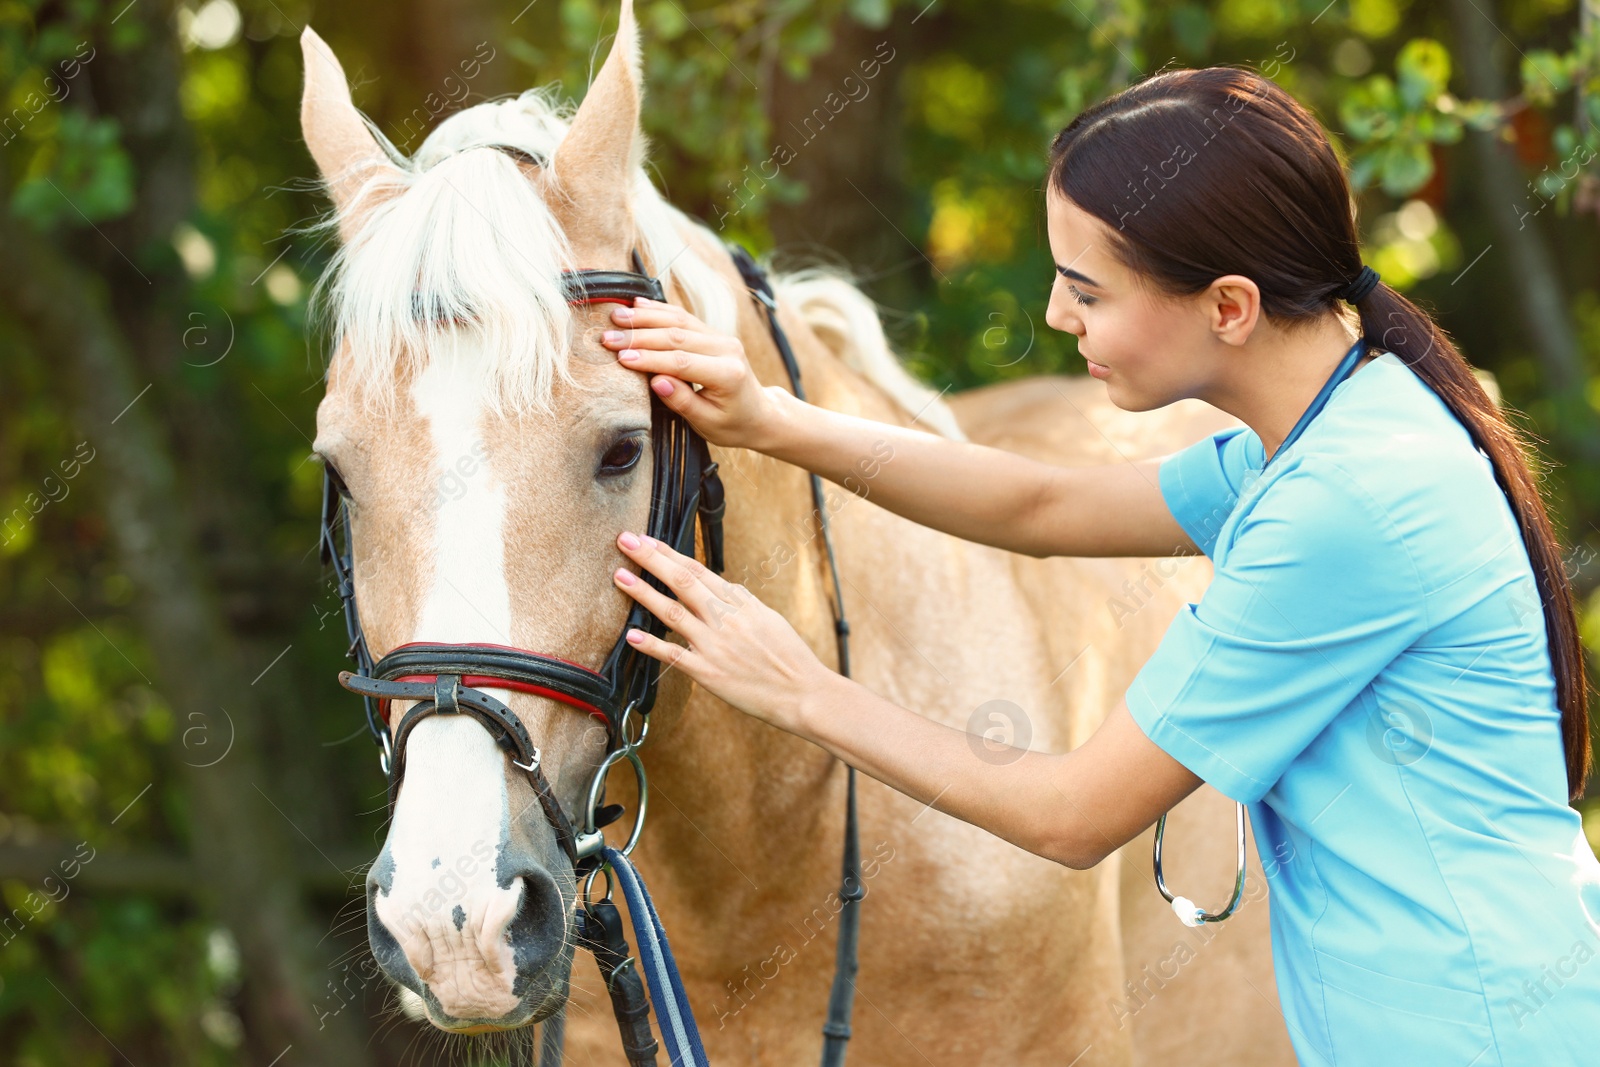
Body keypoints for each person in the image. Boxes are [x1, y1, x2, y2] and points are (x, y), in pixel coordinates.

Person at [597, 67, 1600, 1064]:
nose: (1054, 314)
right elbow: (1041, 504)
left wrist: (802, 691)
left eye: (1086, 289)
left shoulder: (1341, 504)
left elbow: (1072, 814)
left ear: (1229, 306)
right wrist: (770, 420)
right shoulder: (1326, 429)